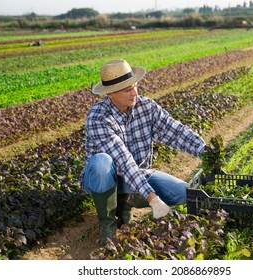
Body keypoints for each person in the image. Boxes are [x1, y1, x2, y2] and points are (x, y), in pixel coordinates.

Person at [80, 59, 213, 246]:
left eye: (135, 86)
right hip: (103, 179)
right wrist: (153, 199)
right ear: (110, 94)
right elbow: (123, 161)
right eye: (128, 90)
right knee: (102, 162)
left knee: (184, 194)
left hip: (138, 176)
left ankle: (124, 205)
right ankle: (108, 224)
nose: (135, 93)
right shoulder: (99, 117)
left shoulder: (146, 107)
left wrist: (204, 151)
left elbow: (174, 131)